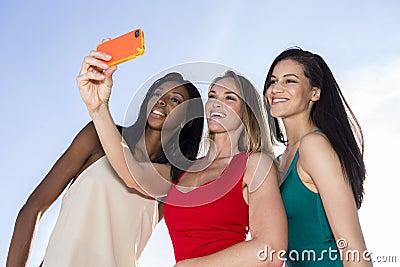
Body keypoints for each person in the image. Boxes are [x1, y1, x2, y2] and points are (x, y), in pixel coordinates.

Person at [78, 48, 287, 266]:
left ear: (246, 111)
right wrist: (98, 108)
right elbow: (132, 173)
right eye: (213, 96)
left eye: (229, 98)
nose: (216, 103)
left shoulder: (254, 164)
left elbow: (271, 250)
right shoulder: (181, 170)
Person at [6, 52, 204, 266]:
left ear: (189, 120)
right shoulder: (96, 137)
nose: (162, 101)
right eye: (157, 93)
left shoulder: (172, 180)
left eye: (175, 100)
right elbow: (32, 209)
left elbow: (134, 177)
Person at [263, 47, 372, 267]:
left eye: (289, 81)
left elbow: (354, 249)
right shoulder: (278, 163)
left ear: (315, 93)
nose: (276, 88)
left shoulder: (314, 146)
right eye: (273, 81)